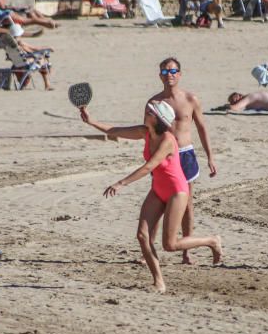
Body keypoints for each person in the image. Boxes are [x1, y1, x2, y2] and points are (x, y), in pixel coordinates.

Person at [80, 102, 222, 292]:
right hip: (158, 189)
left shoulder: (167, 140)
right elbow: (115, 130)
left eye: (149, 111)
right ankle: (159, 282)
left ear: (158, 118)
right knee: (142, 235)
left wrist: (121, 183)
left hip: (176, 191)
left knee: (170, 245)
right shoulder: (145, 131)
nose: (145, 112)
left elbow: (149, 167)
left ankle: (211, 241)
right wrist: (91, 121)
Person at [148, 57, 218, 264]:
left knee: (187, 204)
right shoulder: (154, 103)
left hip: (186, 155)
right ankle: (150, 250)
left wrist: (210, 157)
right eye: (164, 71)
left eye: (172, 71)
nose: (169, 75)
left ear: (179, 74)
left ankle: (187, 251)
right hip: (164, 156)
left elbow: (202, 128)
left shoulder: (190, 99)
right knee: (159, 202)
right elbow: (147, 132)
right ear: (159, 75)